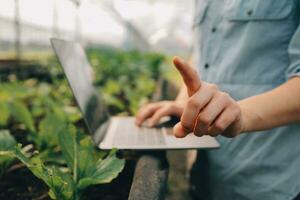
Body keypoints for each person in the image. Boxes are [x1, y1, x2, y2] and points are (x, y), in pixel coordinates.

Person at [135, 0, 300, 200]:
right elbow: (206, 55)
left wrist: (240, 114)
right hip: (209, 173)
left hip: (269, 179)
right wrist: (184, 102)